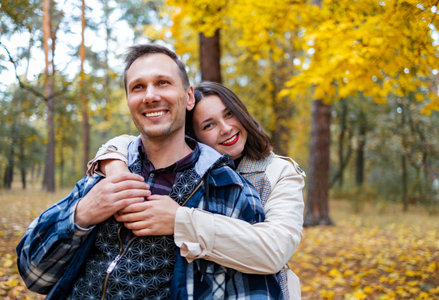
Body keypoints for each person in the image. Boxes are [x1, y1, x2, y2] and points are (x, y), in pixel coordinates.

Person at [16, 44, 283, 299]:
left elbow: (257, 289)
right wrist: (82, 214)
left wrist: (182, 222)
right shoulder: (104, 176)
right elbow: (34, 274)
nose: (150, 96)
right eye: (138, 87)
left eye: (163, 83)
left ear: (189, 96)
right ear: (130, 101)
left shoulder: (227, 189)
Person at [89, 81, 306, 299]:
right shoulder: (190, 170)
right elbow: (126, 141)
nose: (226, 128)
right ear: (193, 136)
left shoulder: (278, 171)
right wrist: (114, 163)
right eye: (209, 125)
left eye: (229, 114)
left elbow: (275, 250)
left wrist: (180, 220)